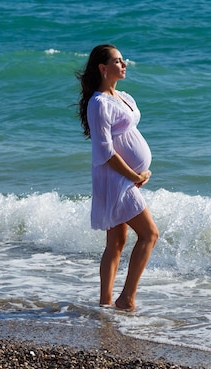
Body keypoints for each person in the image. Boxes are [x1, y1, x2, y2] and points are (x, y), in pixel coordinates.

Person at [76, 44, 159, 311]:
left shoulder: (122, 96)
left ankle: (104, 304)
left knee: (117, 242)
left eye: (123, 60)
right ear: (103, 68)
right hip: (115, 177)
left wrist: (140, 173)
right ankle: (126, 299)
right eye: (118, 61)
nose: (124, 64)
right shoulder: (98, 103)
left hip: (126, 177)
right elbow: (105, 151)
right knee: (149, 234)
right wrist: (134, 174)